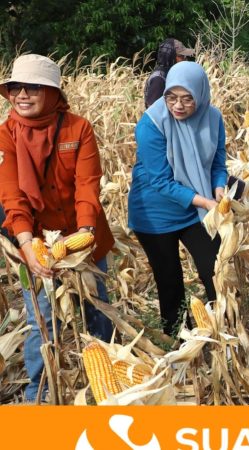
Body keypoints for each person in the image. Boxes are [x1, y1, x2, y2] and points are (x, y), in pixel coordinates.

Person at [0, 54, 114, 401]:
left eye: (33, 87)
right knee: (42, 319)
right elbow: (12, 197)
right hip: (31, 240)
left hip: (83, 234)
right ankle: (40, 391)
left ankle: (111, 378)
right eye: (17, 87)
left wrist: (85, 233)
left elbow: (86, 185)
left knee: (98, 309)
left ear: (51, 92)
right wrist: (26, 247)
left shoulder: (78, 128)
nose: (22, 93)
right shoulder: (5, 135)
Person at [128, 62, 227, 336]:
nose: (178, 106)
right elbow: (160, 182)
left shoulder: (213, 118)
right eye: (171, 97)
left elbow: (219, 163)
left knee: (216, 269)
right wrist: (206, 202)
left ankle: (222, 327)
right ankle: (180, 341)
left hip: (196, 209)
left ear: (201, 94)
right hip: (155, 212)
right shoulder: (151, 124)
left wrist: (218, 187)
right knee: (170, 280)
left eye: (187, 98)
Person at [144, 38, 195, 108]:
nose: (185, 59)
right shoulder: (159, 79)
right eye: (181, 56)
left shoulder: (169, 75)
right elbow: (153, 113)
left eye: (185, 56)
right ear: (171, 57)